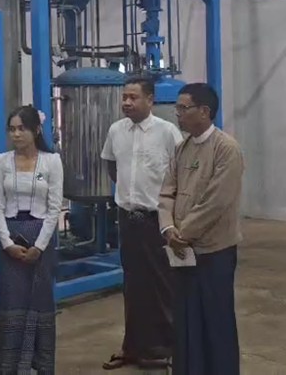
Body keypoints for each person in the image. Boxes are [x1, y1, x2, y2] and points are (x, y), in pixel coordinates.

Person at [158, 82, 244, 375]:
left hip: (214, 252)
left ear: (204, 111)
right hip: (182, 250)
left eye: (183, 108)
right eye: (177, 108)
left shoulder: (226, 149)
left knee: (215, 321)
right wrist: (168, 228)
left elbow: (217, 201)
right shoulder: (182, 148)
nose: (178, 114)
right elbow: (167, 191)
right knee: (186, 320)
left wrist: (184, 233)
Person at [100, 76, 183, 371]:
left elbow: (181, 173)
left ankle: (167, 348)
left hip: (156, 219)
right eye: (124, 97)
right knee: (133, 284)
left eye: (133, 97)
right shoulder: (116, 130)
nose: (127, 102)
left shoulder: (167, 132)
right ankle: (133, 348)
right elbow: (111, 164)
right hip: (128, 218)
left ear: (150, 100)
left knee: (162, 284)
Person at [0, 105, 64, 375]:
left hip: (40, 239)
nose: (16, 134)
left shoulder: (51, 161)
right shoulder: (1, 162)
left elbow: (54, 208)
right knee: (12, 303)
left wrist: (40, 246)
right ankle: (10, 367)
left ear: (36, 130)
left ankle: (40, 366)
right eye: (12, 129)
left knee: (40, 302)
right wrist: (7, 243)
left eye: (22, 128)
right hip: (11, 239)